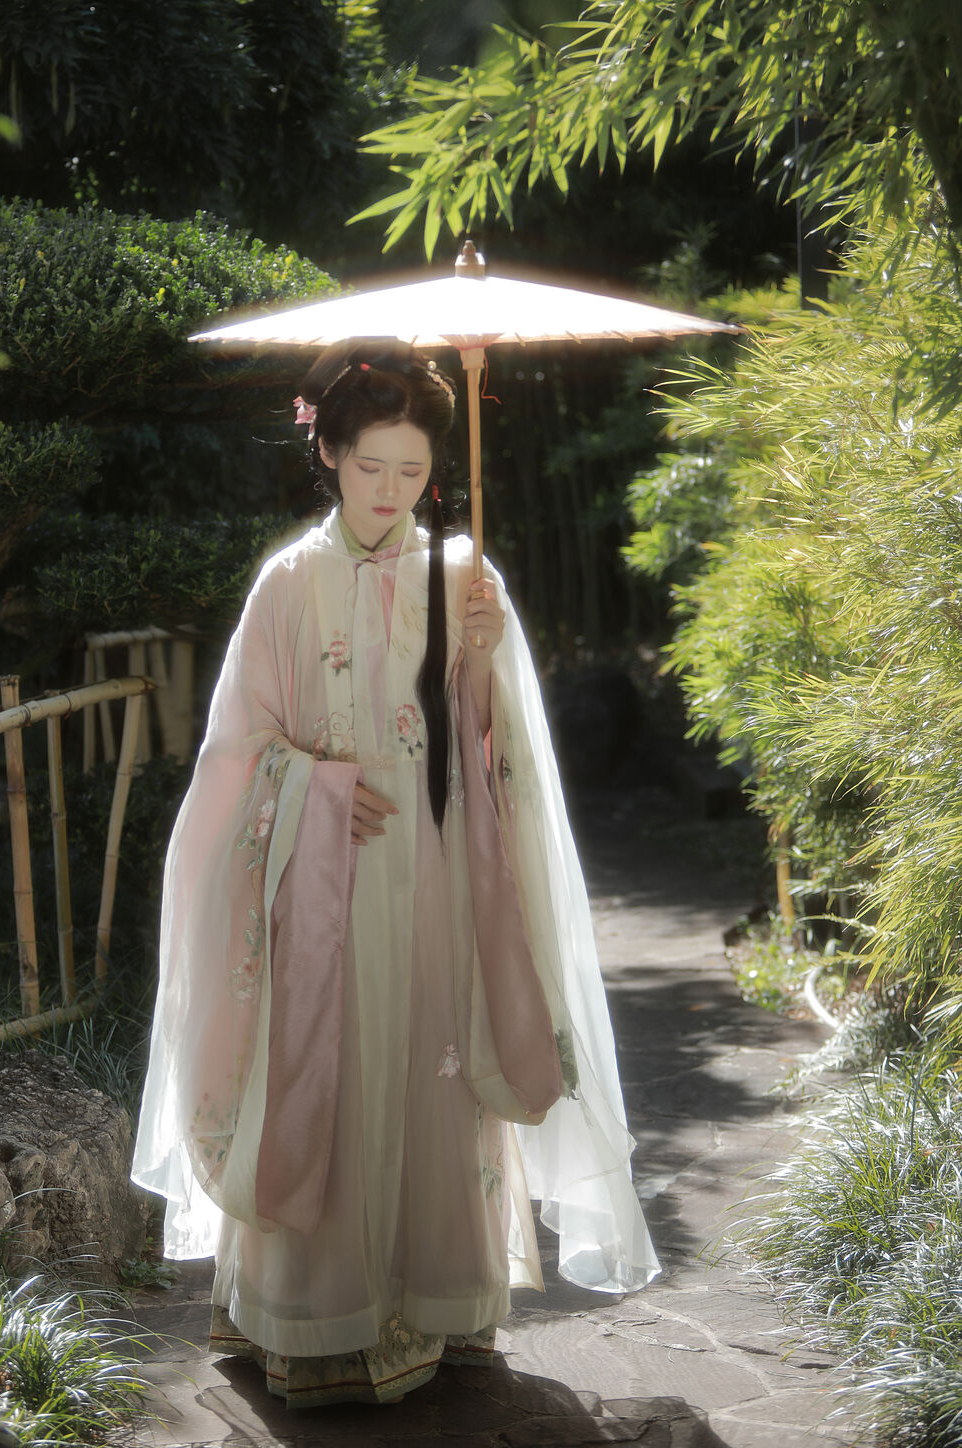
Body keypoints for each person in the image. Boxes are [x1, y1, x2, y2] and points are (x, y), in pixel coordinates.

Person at [131, 342, 659, 1408]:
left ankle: (441, 1305)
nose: (390, 490)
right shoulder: (289, 584)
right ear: (327, 451)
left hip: (436, 867)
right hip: (321, 872)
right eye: (371, 465)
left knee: (436, 1059)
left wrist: (485, 656)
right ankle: (319, 1321)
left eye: (412, 471)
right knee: (330, 1067)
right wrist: (315, 789)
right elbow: (238, 751)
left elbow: (492, 750)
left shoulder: (462, 575)